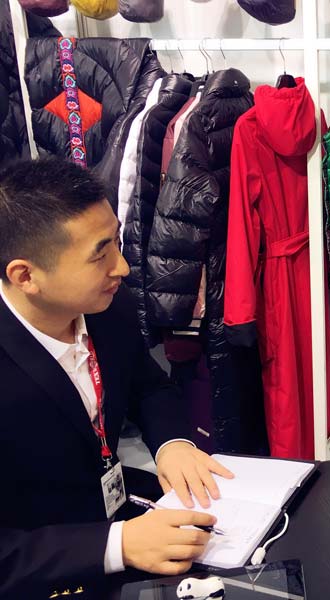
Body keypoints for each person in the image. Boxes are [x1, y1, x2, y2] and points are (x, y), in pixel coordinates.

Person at [0, 158, 236, 597]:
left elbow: (147, 384)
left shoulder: (108, 305)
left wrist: (172, 444)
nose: (123, 267)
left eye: (117, 242)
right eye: (100, 254)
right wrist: (117, 545)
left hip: (122, 510)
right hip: (46, 563)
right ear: (25, 275)